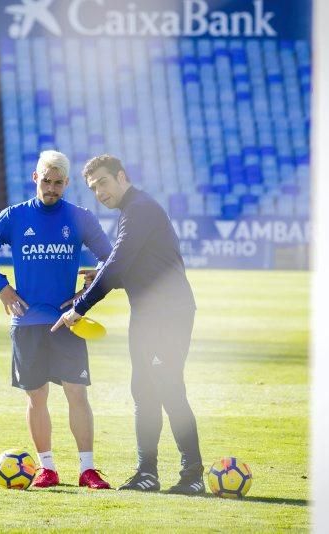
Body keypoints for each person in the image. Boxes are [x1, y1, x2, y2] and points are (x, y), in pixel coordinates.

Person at [52, 154, 205, 495]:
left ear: (121, 176)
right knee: (143, 392)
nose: (100, 193)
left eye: (103, 183)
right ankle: (146, 474)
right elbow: (136, 267)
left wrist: (81, 305)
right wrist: (100, 277)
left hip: (169, 315)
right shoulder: (131, 211)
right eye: (93, 189)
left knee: (168, 389)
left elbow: (119, 263)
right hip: (147, 316)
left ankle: (192, 476)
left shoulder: (140, 209)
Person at [0, 150, 113, 489]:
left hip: (68, 321)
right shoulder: (15, 216)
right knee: (36, 398)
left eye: (58, 183)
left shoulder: (80, 218)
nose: (51, 188)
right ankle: (47, 468)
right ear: (35, 178)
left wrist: (91, 284)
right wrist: (2, 287)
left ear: (67, 183)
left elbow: (112, 258)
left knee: (77, 394)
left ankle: (87, 469)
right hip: (26, 323)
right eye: (46, 181)